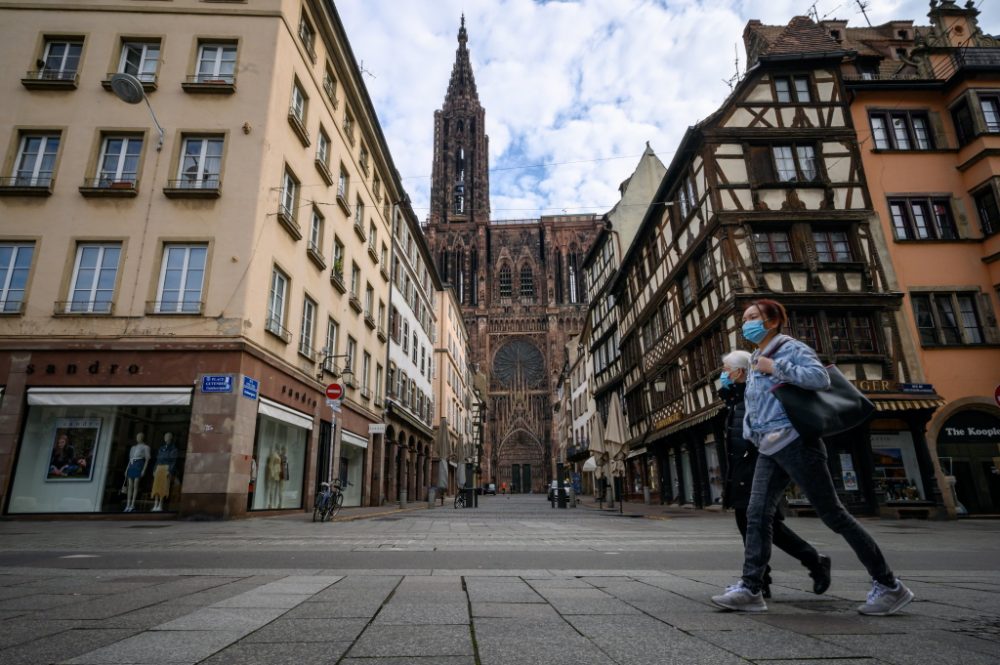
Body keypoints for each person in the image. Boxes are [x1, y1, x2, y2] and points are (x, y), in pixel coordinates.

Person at [712, 299, 913, 616]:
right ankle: (751, 588)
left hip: (796, 443)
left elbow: (819, 378)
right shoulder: (754, 357)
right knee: (756, 514)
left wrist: (776, 367)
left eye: (753, 317)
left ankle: (889, 586)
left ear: (774, 321)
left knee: (833, 515)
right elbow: (757, 404)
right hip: (768, 447)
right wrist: (752, 431)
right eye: (745, 318)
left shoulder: (789, 348)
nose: (746, 323)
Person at [719, 349, 831, 600]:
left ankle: (809, 562)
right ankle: (760, 579)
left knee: (763, 526)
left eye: (726, 369)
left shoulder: (752, 396)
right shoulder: (736, 399)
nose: (723, 374)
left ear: (739, 371)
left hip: (758, 467)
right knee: (750, 525)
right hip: (741, 469)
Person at [150, 433, 178, 512]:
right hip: (159, 468)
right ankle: (155, 504)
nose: (166, 438)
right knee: (156, 487)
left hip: (166, 468)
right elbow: (157, 460)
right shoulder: (161, 448)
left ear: (171, 438)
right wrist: (154, 469)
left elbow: (173, 461)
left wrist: (169, 470)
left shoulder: (173, 449)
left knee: (162, 487)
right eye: (165, 436)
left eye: (168, 436)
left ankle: (160, 504)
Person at [123, 433, 151, 512]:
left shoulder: (146, 447)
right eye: (137, 436)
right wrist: (127, 469)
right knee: (130, 486)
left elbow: (147, 460)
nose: (138, 438)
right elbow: (130, 459)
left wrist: (143, 470)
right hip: (132, 465)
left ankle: (132, 504)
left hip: (139, 464)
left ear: (143, 438)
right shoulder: (133, 447)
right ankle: (128, 505)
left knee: (135, 485)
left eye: (140, 437)